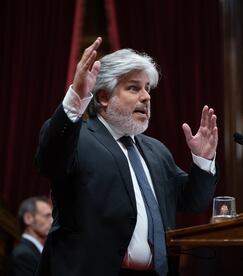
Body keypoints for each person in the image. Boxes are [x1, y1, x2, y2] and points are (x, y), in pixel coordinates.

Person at [35, 37, 219, 276]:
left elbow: (192, 202)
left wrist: (203, 161)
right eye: (133, 88)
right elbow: (50, 162)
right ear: (103, 97)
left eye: (147, 88)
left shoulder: (156, 150)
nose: (146, 97)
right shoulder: (78, 138)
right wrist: (76, 99)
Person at [8, 196, 53, 276]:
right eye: (47, 215)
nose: (52, 221)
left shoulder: (38, 252)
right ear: (28, 218)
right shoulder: (23, 254)